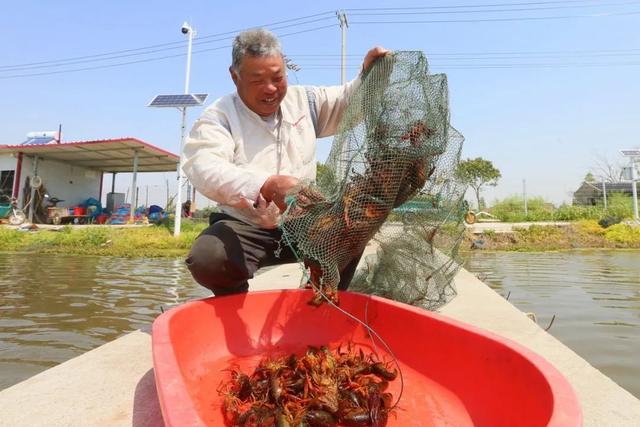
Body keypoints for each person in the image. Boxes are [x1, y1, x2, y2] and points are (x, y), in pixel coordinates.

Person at [182, 28, 389, 296]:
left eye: (277, 77)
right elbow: (204, 168)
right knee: (208, 257)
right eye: (257, 80)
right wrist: (267, 185)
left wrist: (367, 76)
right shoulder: (219, 117)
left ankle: (319, 300)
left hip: (305, 224)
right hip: (248, 226)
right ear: (235, 77)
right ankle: (234, 306)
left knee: (352, 229)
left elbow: (348, 101)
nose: (271, 89)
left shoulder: (306, 101)